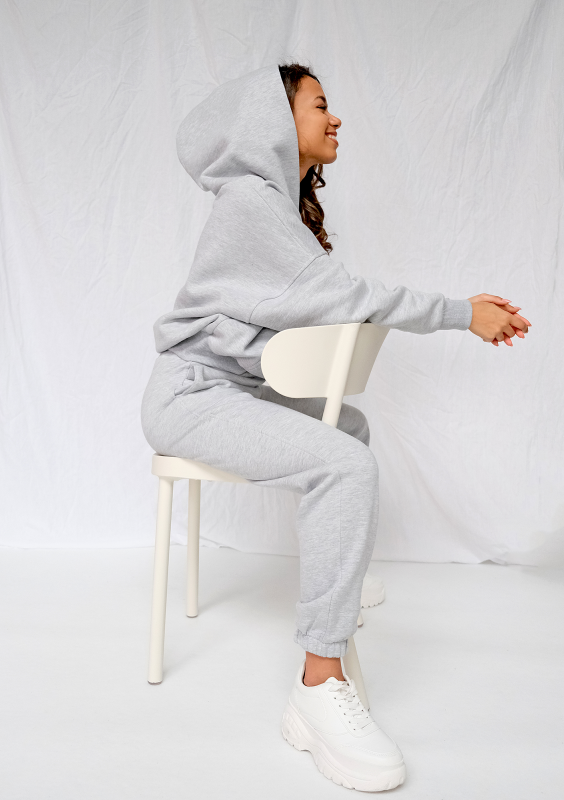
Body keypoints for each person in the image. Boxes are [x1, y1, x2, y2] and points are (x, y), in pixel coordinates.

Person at [141, 62, 531, 792]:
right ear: (272, 120)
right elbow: (347, 296)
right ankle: (318, 685)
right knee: (345, 465)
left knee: (347, 429)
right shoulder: (250, 203)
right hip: (190, 397)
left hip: (230, 388)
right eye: (320, 105)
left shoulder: (271, 206)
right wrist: (460, 313)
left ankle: (336, 580)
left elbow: (328, 305)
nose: (336, 117)